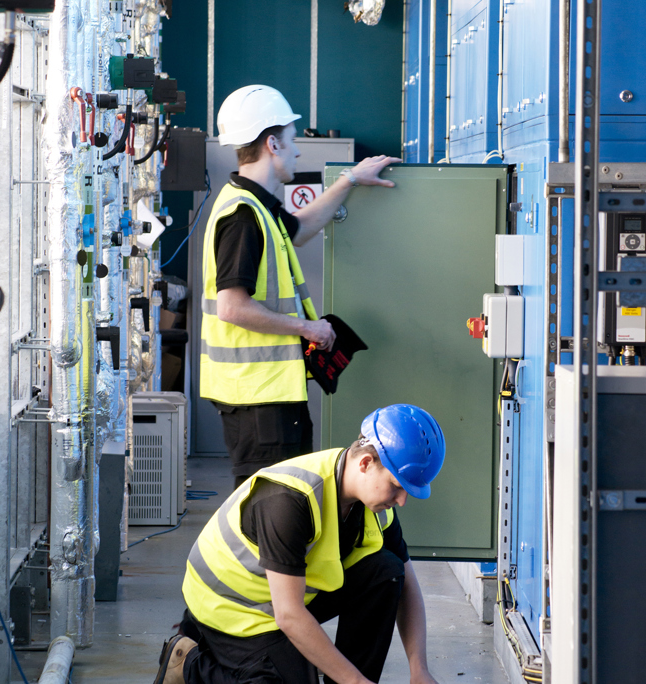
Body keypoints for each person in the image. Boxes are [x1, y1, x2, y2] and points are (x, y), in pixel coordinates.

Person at [152, 404, 446, 684]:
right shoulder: (289, 501)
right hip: (229, 604)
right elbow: (289, 615)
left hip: (283, 595)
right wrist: (355, 680)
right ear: (366, 463)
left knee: (387, 570)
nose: (402, 500)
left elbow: (406, 583)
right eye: (397, 486)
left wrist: (418, 668)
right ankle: (187, 662)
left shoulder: (375, 506)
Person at [200, 84, 401, 487]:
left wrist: (350, 179)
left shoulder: (257, 206)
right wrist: (307, 328)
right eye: (292, 142)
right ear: (271, 143)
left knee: (282, 504)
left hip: (266, 396)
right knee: (274, 510)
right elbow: (232, 307)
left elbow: (303, 227)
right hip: (259, 400)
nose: (297, 151)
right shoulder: (242, 217)